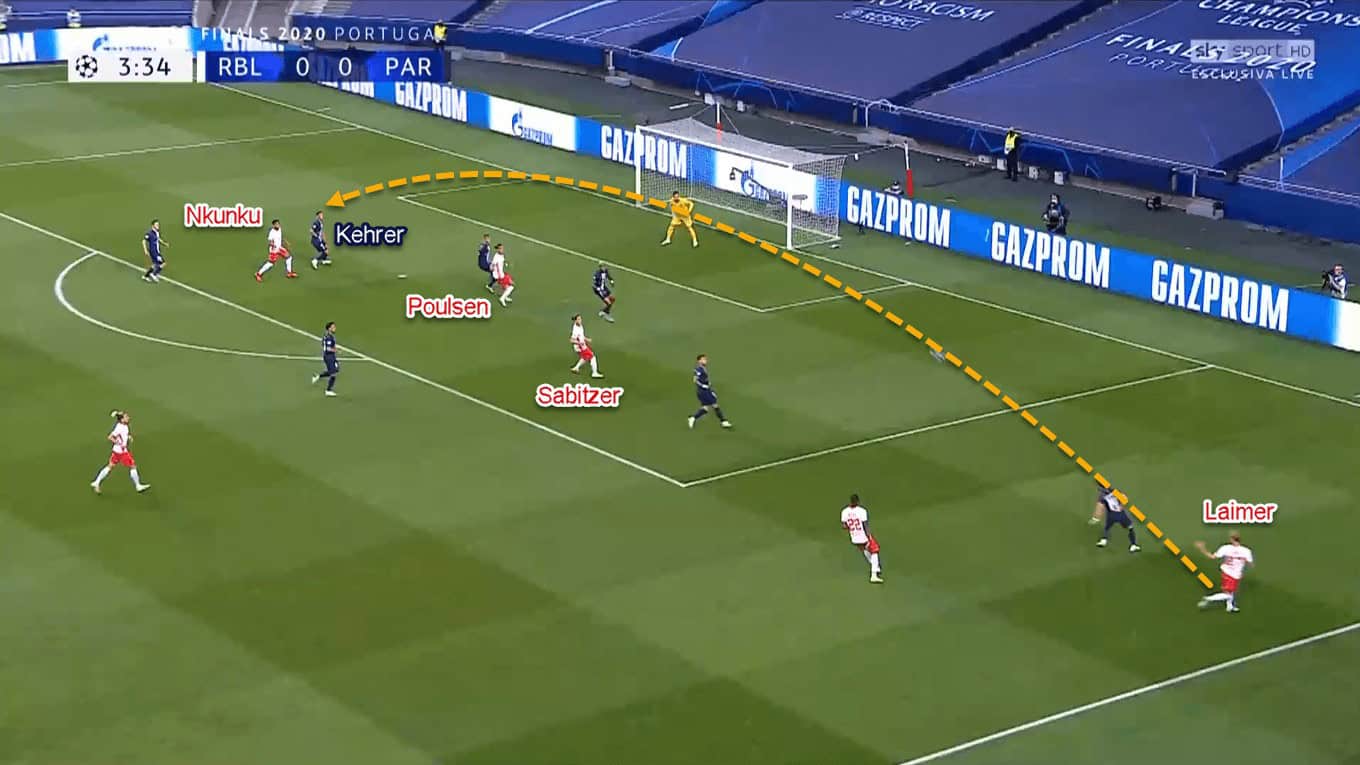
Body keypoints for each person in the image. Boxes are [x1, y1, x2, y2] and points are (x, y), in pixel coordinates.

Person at [90, 411, 150, 494]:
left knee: (110, 466)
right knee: (133, 466)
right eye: (126, 417)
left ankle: (97, 482)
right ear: (122, 420)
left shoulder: (124, 426)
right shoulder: (119, 427)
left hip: (116, 451)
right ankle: (138, 486)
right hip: (122, 452)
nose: (128, 418)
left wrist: (128, 437)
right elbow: (110, 437)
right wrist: (118, 443)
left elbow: (123, 434)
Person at [1195, 532, 1253, 613]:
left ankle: (1230, 607)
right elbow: (1250, 563)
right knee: (1228, 594)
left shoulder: (1225, 548)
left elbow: (1212, 557)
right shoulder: (1246, 551)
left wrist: (1202, 548)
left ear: (1231, 539)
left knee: (1231, 591)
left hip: (1226, 572)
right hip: (1235, 574)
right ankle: (1208, 598)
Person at [840, 494, 883, 583]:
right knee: (875, 551)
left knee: (865, 550)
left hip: (854, 537)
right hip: (863, 536)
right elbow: (865, 525)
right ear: (858, 501)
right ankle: (874, 575)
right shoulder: (862, 511)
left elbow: (844, 526)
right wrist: (869, 536)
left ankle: (875, 567)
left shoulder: (844, 511)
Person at [688, 354, 731, 429]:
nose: (705, 361)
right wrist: (702, 386)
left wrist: (708, 385)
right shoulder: (698, 369)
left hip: (705, 390)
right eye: (703, 359)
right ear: (699, 361)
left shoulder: (703, 368)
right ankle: (723, 421)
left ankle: (693, 418)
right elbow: (695, 380)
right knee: (715, 405)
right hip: (703, 391)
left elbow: (704, 379)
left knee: (705, 408)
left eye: (706, 359)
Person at [1093, 486, 1140, 552]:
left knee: (1107, 528)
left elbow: (1101, 506)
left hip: (1111, 515)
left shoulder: (1103, 497)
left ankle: (1104, 540)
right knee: (1130, 528)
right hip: (1121, 514)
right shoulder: (1117, 493)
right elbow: (1124, 499)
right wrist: (1121, 505)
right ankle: (1133, 545)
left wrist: (1096, 517)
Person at [311, 321, 340, 397]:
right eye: (333, 327)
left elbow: (324, 345)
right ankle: (328, 390)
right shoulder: (329, 337)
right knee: (333, 373)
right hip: (328, 356)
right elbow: (328, 348)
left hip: (331, 356)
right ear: (329, 328)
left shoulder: (327, 336)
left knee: (335, 370)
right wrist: (336, 350)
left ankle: (318, 376)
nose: (335, 328)